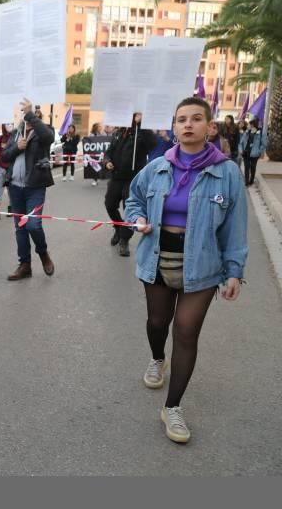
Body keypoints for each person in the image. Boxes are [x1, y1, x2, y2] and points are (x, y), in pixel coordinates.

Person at [125, 96, 247, 444]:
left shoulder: (227, 173)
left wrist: (234, 270)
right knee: (157, 323)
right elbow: (134, 198)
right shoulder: (157, 167)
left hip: (204, 266)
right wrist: (138, 218)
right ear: (174, 126)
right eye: (181, 119)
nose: (188, 125)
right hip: (158, 258)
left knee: (186, 332)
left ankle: (173, 407)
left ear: (210, 127)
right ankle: (156, 357)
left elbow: (235, 227)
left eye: (196, 119)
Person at [0, 99, 56, 281]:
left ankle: (43, 253)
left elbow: (49, 138)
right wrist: (17, 147)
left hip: (35, 187)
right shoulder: (16, 133)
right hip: (15, 187)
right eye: (28, 115)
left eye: (33, 115)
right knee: (20, 228)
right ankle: (25, 265)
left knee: (32, 224)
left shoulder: (44, 132)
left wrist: (31, 114)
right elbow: (4, 156)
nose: (30, 118)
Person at [103, 113, 157, 257]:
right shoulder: (118, 133)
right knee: (109, 205)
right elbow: (108, 152)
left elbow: (152, 143)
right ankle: (118, 227)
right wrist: (107, 161)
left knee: (129, 210)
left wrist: (141, 123)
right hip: (116, 177)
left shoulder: (141, 134)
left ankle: (124, 239)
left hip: (133, 179)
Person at [239, 118, 266, 186]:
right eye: (249, 124)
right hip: (246, 152)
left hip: (255, 154)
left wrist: (259, 151)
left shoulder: (260, 133)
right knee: (246, 167)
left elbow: (264, 144)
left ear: (254, 125)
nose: (249, 126)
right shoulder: (247, 132)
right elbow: (241, 142)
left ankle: (251, 180)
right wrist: (241, 150)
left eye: (250, 124)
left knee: (253, 167)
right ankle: (246, 181)